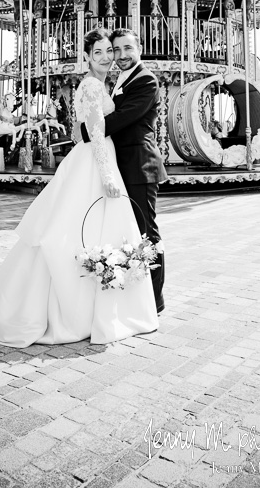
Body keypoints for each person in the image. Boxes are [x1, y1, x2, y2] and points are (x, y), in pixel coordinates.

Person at [0, 29, 157, 346]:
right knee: (74, 229)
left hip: (99, 158)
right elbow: (96, 133)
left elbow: (89, 128)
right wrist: (107, 175)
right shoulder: (91, 85)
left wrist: (84, 133)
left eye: (108, 51)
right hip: (96, 162)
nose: (105, 57)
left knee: (92, 228)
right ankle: (78, 309)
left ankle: (94, 303)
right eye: (98, 52)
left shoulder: (103, 85)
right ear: (87, 57)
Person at [79, 28, 167, 314]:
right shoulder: (120, 80)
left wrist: (86, 130)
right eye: (116, 50)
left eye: (127, 48)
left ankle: (155, 300)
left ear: (139, 48)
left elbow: (123, 117)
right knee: (132, 232)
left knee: (147, 234)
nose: (121, 55)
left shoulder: (146, 81)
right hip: (123, 164)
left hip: (140, 164)